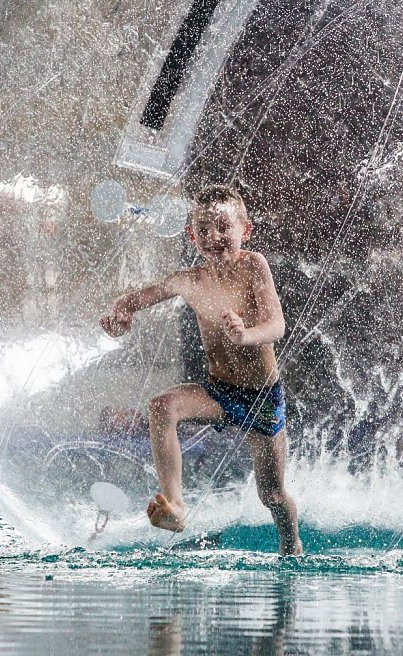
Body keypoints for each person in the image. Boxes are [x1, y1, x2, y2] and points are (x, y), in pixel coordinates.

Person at [100, 185, 302, 555]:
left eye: (223, 228)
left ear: (246, 230)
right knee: (162, 406)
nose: (214, 238)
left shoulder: (254, 266)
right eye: (204, 231)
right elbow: (133, 300)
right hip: (219, 391)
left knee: (271, 494)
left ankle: (292, 545)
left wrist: (245, 335)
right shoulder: (188, 281)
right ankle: (175, 507)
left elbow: (276, 326)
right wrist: (119, 316)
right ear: (193, 237)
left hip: (262, 399)